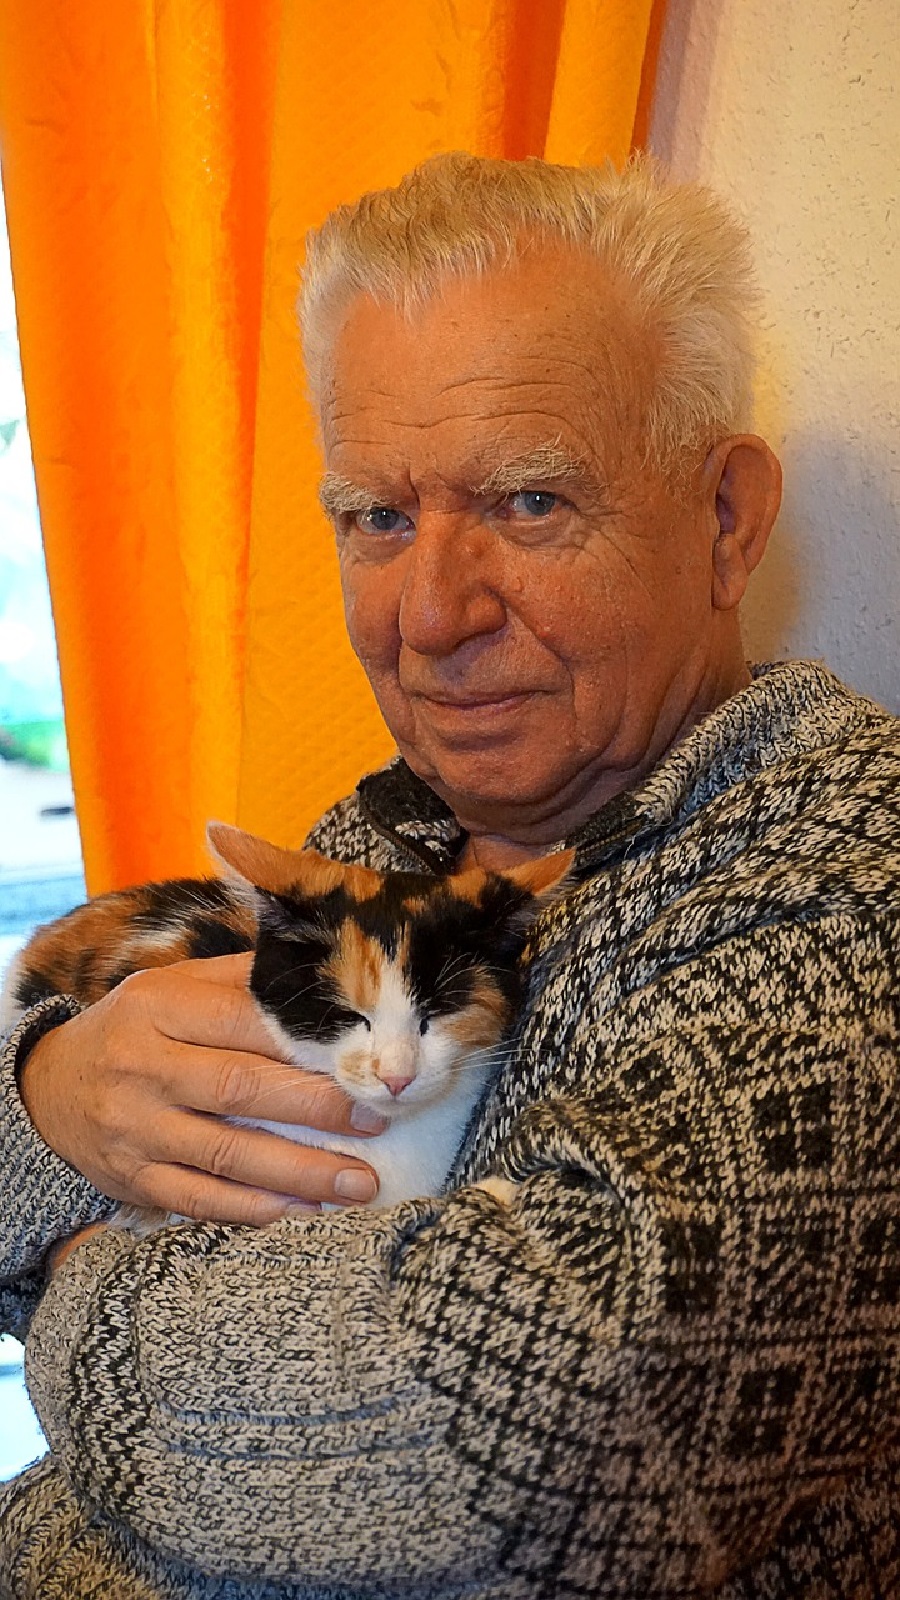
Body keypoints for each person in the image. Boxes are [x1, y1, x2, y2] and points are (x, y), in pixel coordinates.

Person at [1, 151, 898, 1599]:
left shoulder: (842, 881)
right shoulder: (384, 842)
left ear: (725, 520)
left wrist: (83, 1287)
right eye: (376, 516)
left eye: (530, 503)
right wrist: (55, 1103)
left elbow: (484, 1447)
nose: (430, 614)